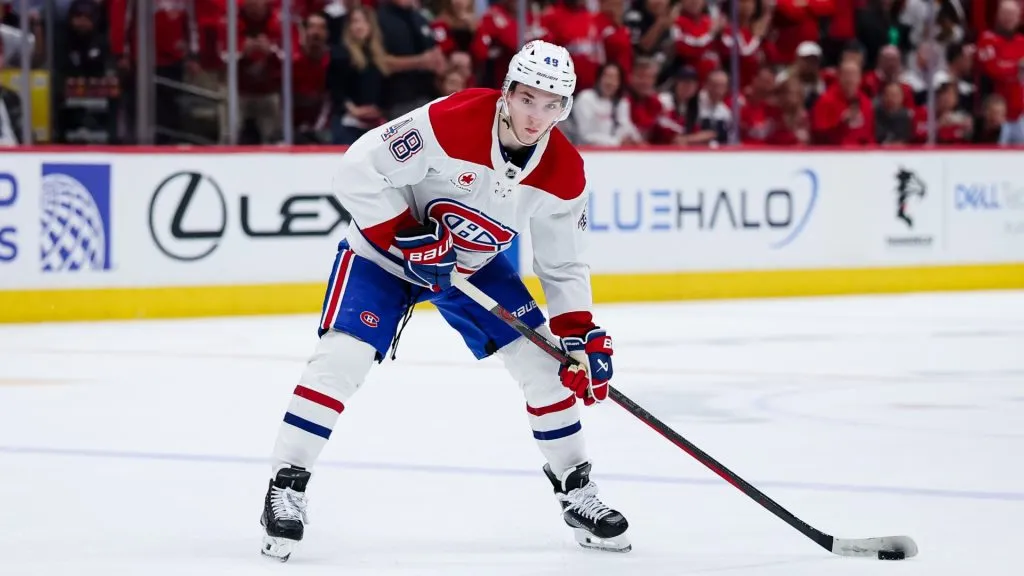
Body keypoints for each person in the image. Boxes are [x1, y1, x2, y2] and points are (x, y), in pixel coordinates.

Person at [259, 40, 630, 562]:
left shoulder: (564, 171)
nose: (536, 116)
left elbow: (563, 264)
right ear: (507, 92)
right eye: (528, 99)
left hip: (473, 271)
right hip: (383, 256)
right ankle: (286, 486)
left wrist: (579, 337)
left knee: (548, 367)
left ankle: (577, 492)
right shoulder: (452, 119)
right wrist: (405, 232)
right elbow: (355, 169)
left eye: (552, 105)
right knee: (342, 358)